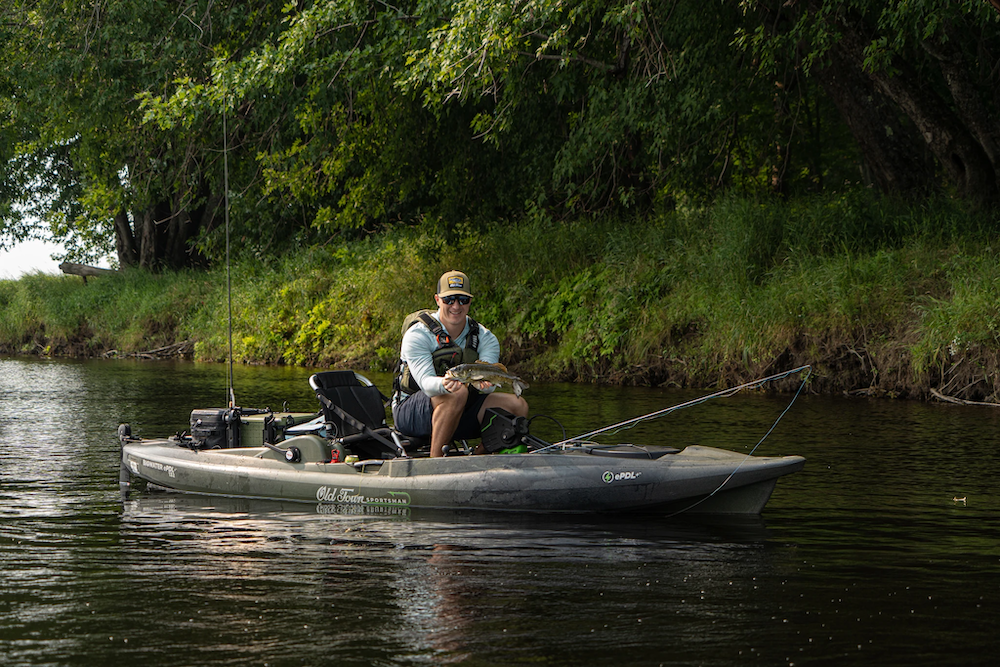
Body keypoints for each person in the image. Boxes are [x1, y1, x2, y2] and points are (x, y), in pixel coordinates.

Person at [392, 270, 528, 457]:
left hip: (462, 408)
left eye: (463, 300)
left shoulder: (485, 338)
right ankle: (435, 463)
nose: (456, 306)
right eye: (449, 299)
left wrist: (486, 385)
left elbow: (489, 385)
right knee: (457, 392)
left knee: (518, 405)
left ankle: (479, 457)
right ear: (437, 300)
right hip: (411, 413)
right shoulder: (418, 335)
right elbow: (426, 384)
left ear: (470, 302)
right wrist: (445, 383)